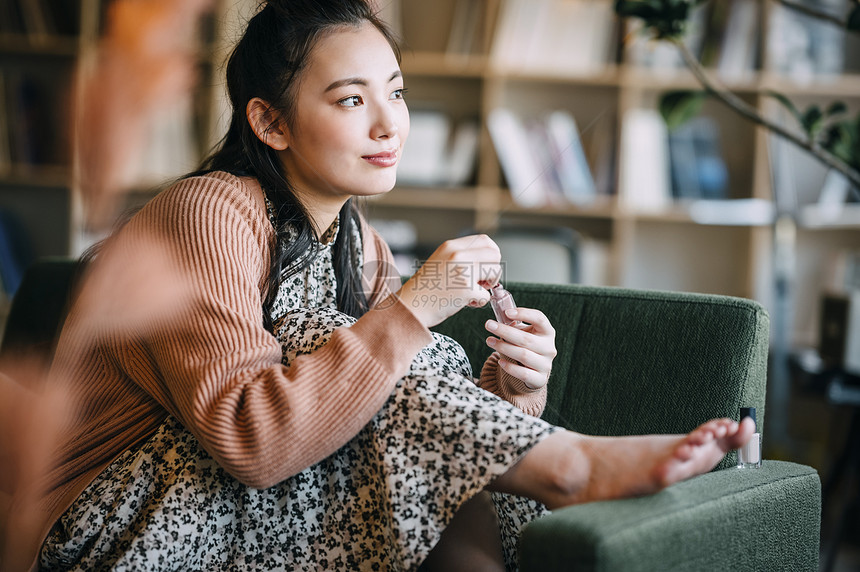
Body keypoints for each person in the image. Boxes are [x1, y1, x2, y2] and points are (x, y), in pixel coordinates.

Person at [16, 1, 754, 570]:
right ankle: (573, 464)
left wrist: (511, 390)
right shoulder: (209, 209)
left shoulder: (356, 242)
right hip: (116, 528)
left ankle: (563, 462)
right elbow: (254, 441)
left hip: (243, 509)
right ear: (269, 122)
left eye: (395, 93)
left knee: (374, 361)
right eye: (350, 100)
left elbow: (388, 431)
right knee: (349, 340)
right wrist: (409, 312)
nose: (388, 125)